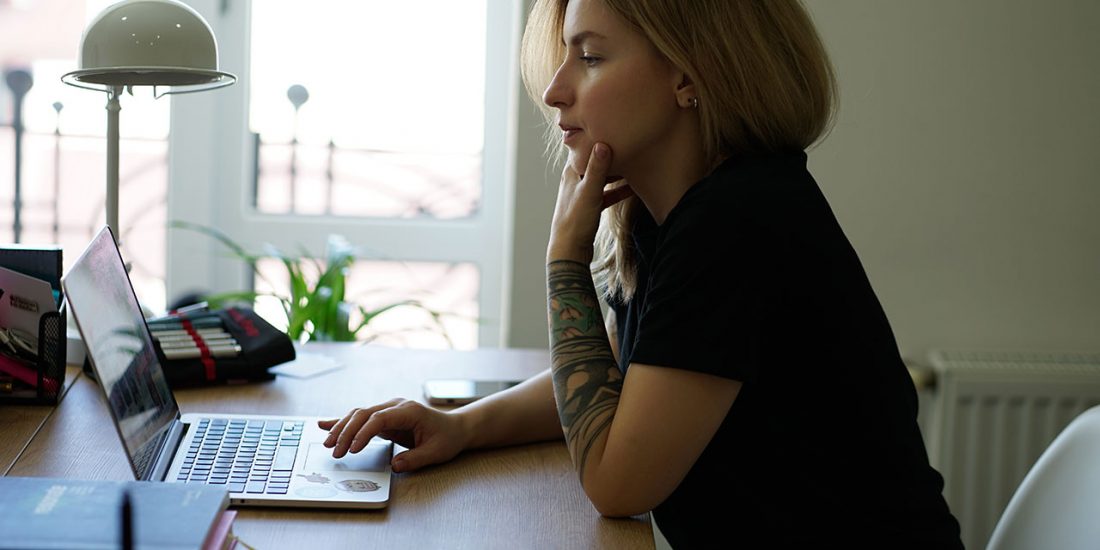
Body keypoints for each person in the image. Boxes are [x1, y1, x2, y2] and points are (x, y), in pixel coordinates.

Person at [321, 0, 964, 547]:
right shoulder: (679, 210)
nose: (555, 91)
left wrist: (564, 260)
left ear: (689, 74)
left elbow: (615, 482)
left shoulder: (739, 220)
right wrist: (463, 425)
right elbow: (626, 367)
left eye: (591, 56)